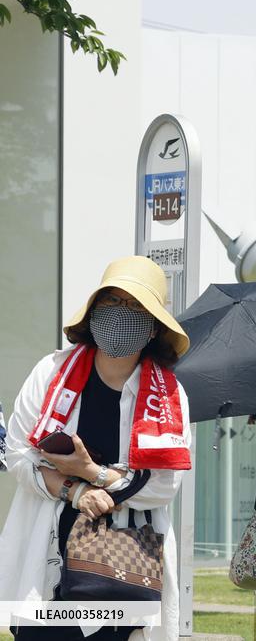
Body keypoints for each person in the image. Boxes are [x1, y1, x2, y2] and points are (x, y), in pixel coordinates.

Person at [0, 256, 193, 641]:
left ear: (154, 327)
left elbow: (164, 485)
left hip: (123, 566)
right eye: (112, 303)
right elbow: (19, 455)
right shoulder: (50, 373)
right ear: (92, 314)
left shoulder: (169, 396)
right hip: (49, 558)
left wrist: (93, 473)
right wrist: (77, 491)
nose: (122, 316)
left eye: (136, 307)